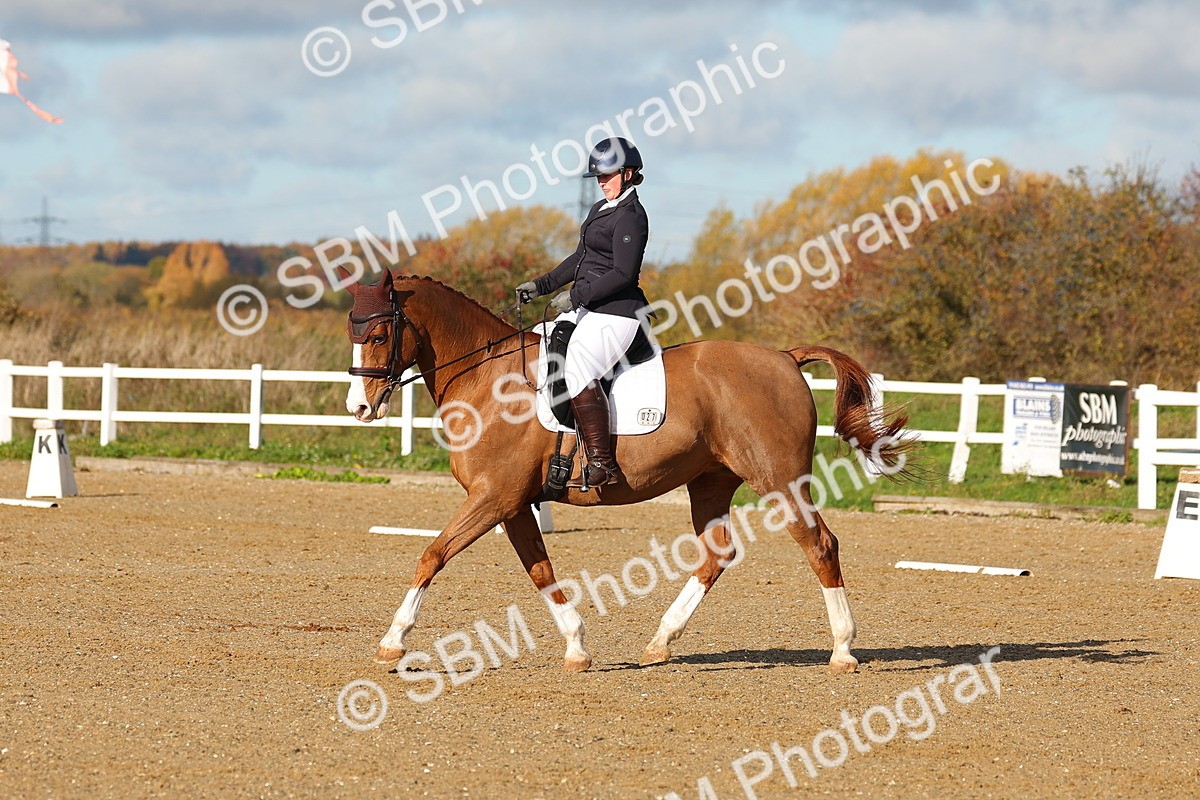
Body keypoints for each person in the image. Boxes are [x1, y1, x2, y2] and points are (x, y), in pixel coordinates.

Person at [516, 137, 651, 489]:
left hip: (619, 313)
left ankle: (602, 464)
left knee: (577, 370)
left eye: (608, 176)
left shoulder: (632, 217)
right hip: (590, 308)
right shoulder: (599, 210)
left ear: (629, 173)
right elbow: (580, 259)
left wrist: (575, 296)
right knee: (543, 343)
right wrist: (542, 285)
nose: (602, 182)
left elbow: (623, 274)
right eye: (598, 177)